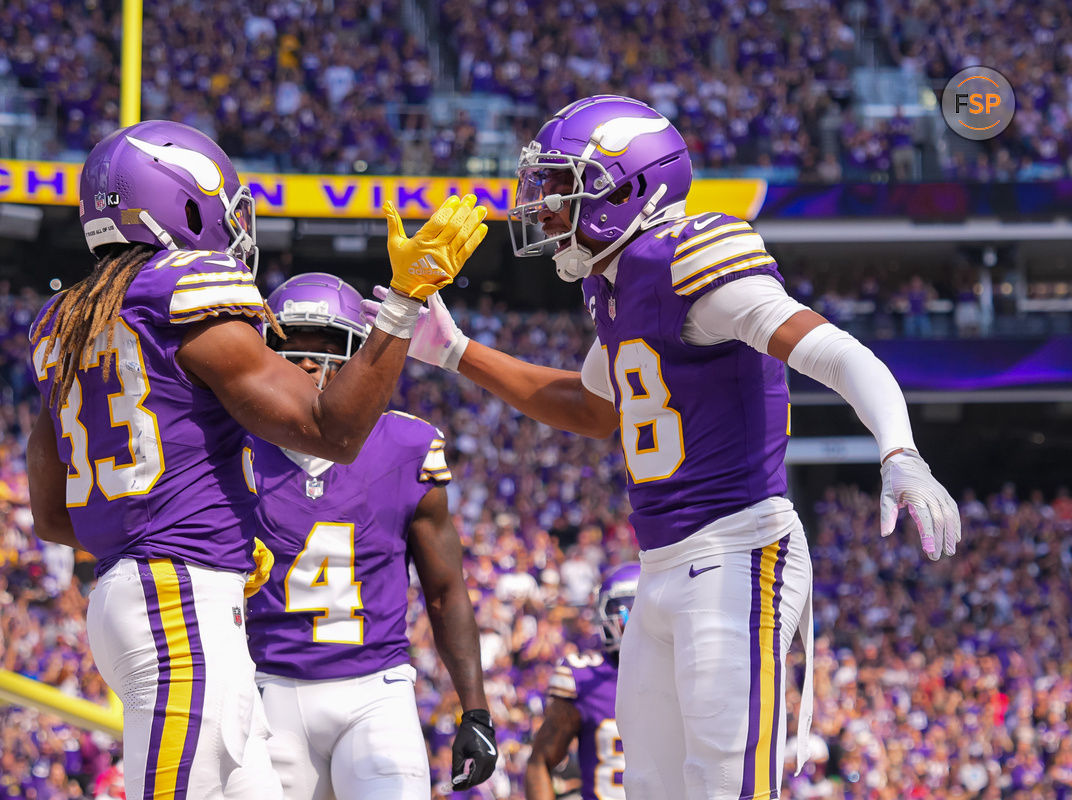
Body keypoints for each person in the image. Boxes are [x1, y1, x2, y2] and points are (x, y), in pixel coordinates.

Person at [361, 95, 962, 800]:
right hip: (662, 564)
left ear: (630, 189)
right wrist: (458, 351)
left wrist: (900, 453)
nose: (545, 207)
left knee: (726, 783)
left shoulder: (690, 255)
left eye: (562, 186)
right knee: (651, 785)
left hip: (740, 551)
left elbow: (836, 354)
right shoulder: (612, 281)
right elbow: (590, 408)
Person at [26, 119, 487, 800]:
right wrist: (404, 300)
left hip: (146, 596)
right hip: (176, 603)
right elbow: (333, 431)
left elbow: (54, 513)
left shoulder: (69, 320)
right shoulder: (183, 289)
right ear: (185, 204)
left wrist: (198, 535)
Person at [240, 272, 497, 800]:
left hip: (375, 691)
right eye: (291, 346)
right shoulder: (232, 446)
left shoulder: (406, 445)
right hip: (267, 689)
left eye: (328, 346)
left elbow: (445, 591)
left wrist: (476, 710)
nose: (308, 362)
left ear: (361, 353)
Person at [525, 563, 638, 800]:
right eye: (624, 608)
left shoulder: (683, 670)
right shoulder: (585, 678)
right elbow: (540, 763)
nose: (628, 620)